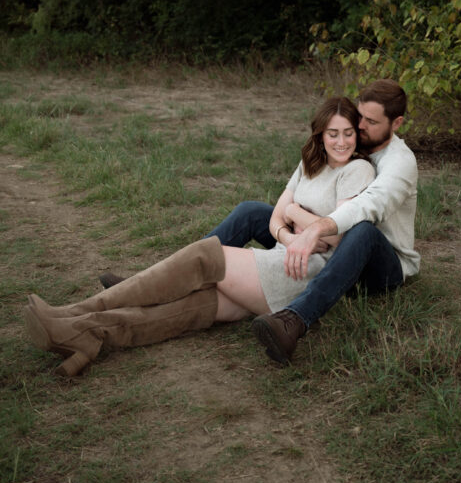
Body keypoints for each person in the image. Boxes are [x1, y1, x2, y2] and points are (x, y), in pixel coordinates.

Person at [24, 97, 374, 377]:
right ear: (319, 135)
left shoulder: (357, 170)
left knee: (204, 258)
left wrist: (296, 220)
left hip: (305, 272)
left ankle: (73, 312)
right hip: (285, 256)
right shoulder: (311, 164)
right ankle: (88, 334)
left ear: (357, 136)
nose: (341, 141)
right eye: (333, 133)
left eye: (348, 133)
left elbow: (337, 237)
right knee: (190, 308)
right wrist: (294, 226)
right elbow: (274, 218)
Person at [214, 78, 420, 366]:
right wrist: (290, 233)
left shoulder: (400, 163)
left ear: (396, 123)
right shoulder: (351, 138)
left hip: (381, 266)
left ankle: (294, 321)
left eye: (371, 121)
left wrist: (312, 227)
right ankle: (179, 267)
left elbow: (366, 207)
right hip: (332, 250)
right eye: (359, 116)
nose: (360, 126)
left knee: (363, 231)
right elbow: (293, 193)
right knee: (250, 211)